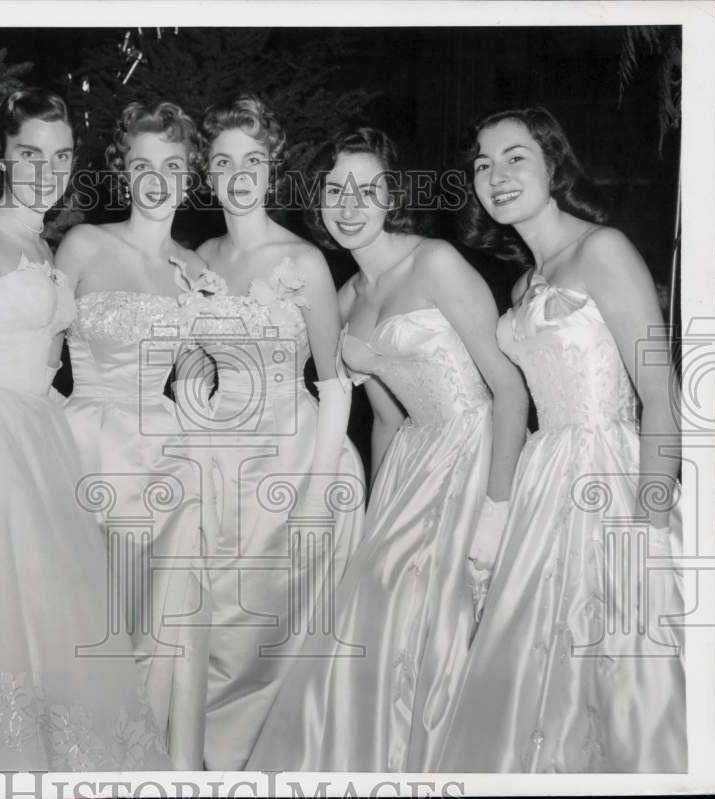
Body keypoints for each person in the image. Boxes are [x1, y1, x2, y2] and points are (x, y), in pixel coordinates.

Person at [245, 126, 528, 771]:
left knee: (445, 623)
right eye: (336, 189)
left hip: (478, 448)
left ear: (391, 196)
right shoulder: (345, 301)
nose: (350, 204)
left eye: (367, 190)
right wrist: (376, 510)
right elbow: (384, 420)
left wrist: (496, 510)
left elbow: (508, 390)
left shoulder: (434, 262)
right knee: (371, 611)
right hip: (408, 467)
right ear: (318, 200)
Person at [0, 89, 170, 772]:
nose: (46, 168)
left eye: (60, 155)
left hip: (41, 436)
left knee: (59, 634)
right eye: (29, 152)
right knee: (6, 630)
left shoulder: (41, 242)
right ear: (0, 154)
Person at [434, 107, 685, 772]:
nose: (496, 174)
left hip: (611, 477)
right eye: (483, 164)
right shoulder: (522, 284)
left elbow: (661, 394)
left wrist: (650, 527)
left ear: (554, 163)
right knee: (530, 673)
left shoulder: (603, 249)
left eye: (515, 156)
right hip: (544, 483)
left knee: (621, 670)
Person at [193, 97, 368, 771]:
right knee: (210, 631)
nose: (239, 174)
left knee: (261, 639)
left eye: (254, 160)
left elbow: (333, 382)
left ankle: (258, 768)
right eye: (224, 160)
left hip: (295, 459)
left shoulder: (304, 262)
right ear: (207, 171)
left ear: (274, 167)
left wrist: (317, 492)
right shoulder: (201, 255)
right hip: (215, 459)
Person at [54, 100, 212, 769]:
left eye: (172, 165)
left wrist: (210, 331)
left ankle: (145, 763)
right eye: (142, 164)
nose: (157, 179)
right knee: (84, 621)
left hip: (164, 454)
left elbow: (198, 378)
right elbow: (36, 341)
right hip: (85, 445)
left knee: (157, 626)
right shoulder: (86, 243)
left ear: (190, 174)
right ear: (122, 171)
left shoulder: (195, 266)